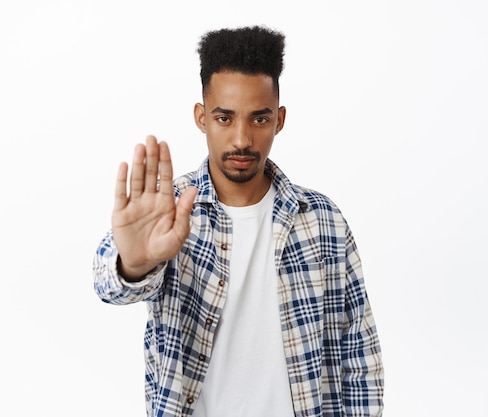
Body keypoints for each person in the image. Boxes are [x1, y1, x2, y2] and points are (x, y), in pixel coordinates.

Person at [93, 25, 384, 417]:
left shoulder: (323, 221)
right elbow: (108, 286)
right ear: (202, 117)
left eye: (259, 119)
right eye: (225, 118)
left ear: (279, 119)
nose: (242, 139)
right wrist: (135, 263)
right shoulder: (172, 211)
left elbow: (360, 355)